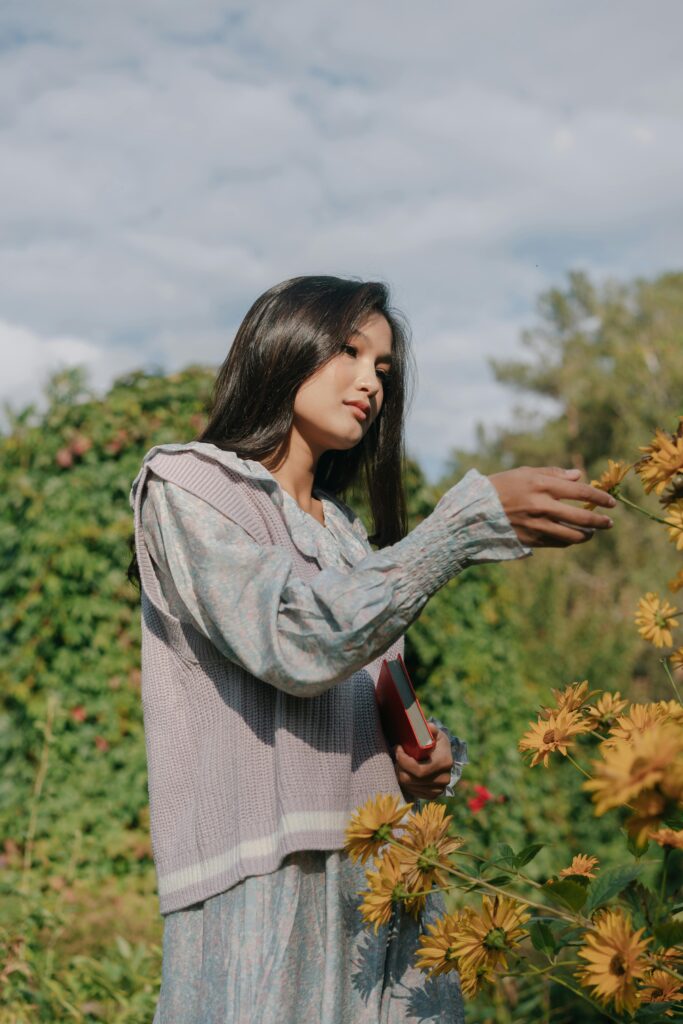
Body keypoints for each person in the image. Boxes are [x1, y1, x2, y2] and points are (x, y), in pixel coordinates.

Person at [129, 276, 615, 1024]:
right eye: (349, 351)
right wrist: (455, 531)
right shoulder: (190, 486)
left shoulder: (347, 535)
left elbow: (369, 695)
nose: (369, 382)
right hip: (264, 871)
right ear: (279, 344)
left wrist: (427, 756)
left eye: (382, 369)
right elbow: (297, 642)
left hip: (385, 876)